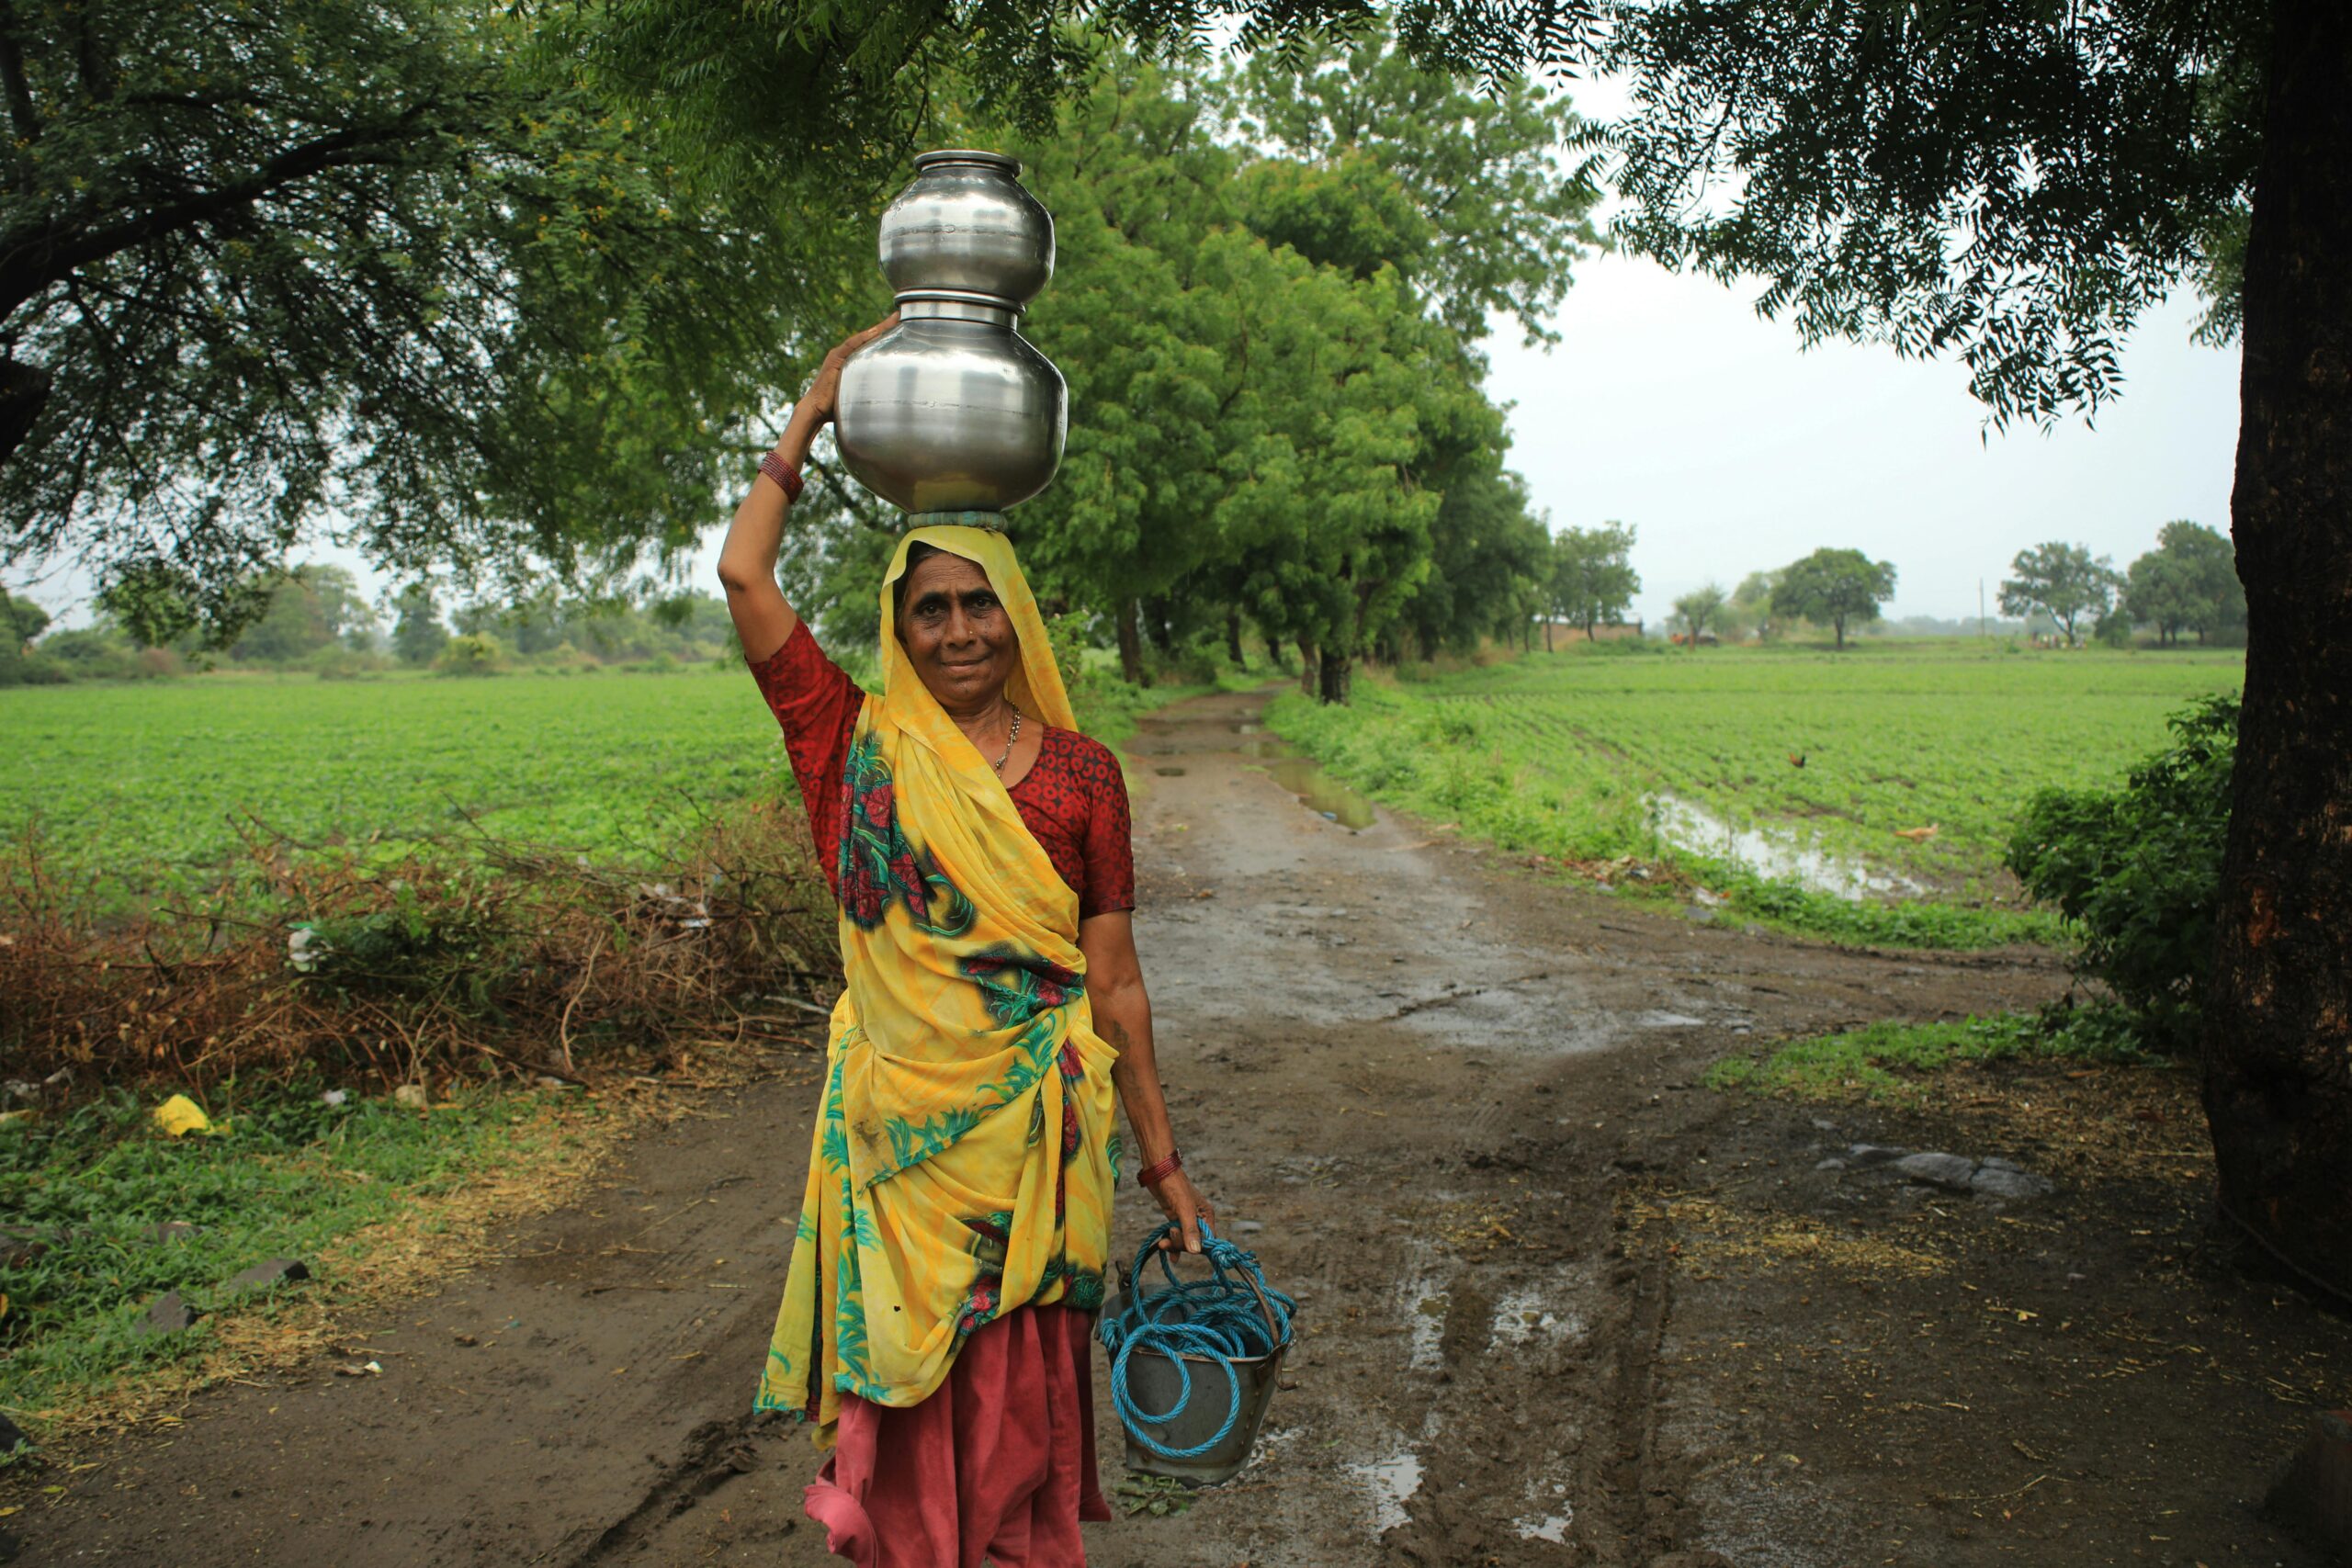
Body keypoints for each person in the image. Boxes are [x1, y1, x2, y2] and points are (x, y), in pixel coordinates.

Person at [716, 317, 1214, 1568]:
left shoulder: (1086, 778)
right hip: (905, 1148)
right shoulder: (852, 745)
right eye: (929, 609)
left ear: (1018, 618)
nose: (956, 632)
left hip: (1034, 1146)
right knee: (910, 1402)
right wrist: (811, 416)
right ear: (903, 622)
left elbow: (1116, 985)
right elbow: (743, 578)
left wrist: (1164, 1167)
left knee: (1012, 1422)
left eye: (978, 605)